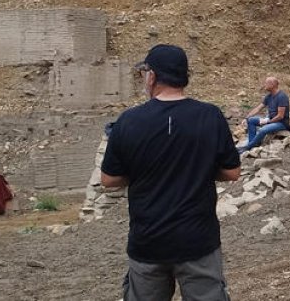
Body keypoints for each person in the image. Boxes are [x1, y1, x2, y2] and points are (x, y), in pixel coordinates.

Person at [100, 44, 241, 301]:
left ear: (152, 76)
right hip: (198, 240)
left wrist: (143, 172)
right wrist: (198, 169)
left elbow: (108, 180)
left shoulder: (128, 121)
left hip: (148, 241)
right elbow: (232, 172)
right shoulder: (210, 116)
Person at [237, 76, 290, 152]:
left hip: (281, 123)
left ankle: (247, 147)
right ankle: (252, 144)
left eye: (266, 83)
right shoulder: (269, 96)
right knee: (251, 120)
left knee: (263, 130)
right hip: (270, 119)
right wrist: (246, 118)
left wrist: (268, 122)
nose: (264, 85)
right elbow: (258, 108)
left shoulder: (282, 96)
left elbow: (280, 116)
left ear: (272, 85)